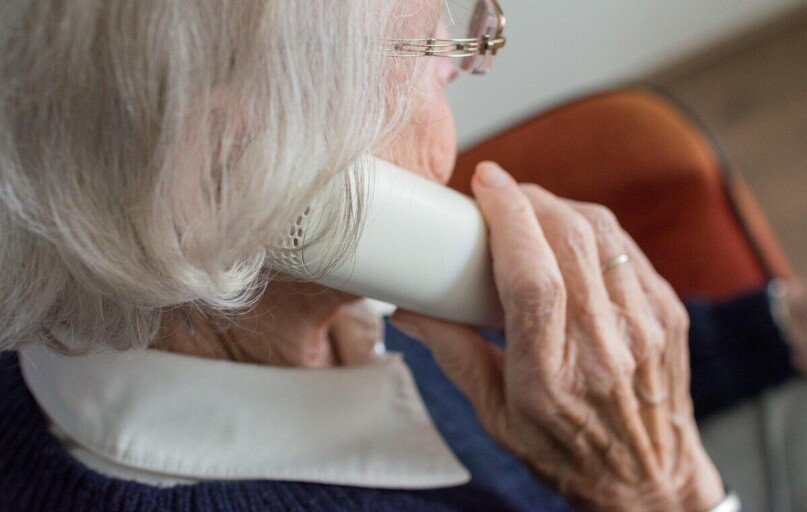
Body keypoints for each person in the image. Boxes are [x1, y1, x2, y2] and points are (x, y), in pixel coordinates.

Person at [1, 0, 802, 510]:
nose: (466, 63)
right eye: (432, 47)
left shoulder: (313, 295)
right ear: (231, 174)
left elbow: (559, 369)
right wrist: (663, 490)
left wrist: (772, 326)